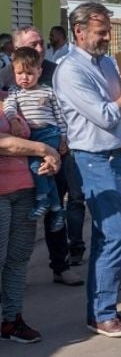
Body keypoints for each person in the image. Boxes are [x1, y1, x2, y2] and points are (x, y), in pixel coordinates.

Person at [53, 2, 121, 337]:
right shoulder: (70, 70)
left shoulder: (105, 64)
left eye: (107, 32)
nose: (105, 39)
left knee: (110, 235)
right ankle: (102, 313)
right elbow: (106, 115)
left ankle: (104, 311)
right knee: (114, 234)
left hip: (117, 156)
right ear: (79, 31)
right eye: (101, 33)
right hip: (93, 159)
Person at [11, 25, 85, 282]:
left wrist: (64, 141)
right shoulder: (8, 77)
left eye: (42, 43)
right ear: (17, 48)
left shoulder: (56, 73)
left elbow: (67, 109)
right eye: (33, 45)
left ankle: (60, 266)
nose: (40, 49)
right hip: (18, 159)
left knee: (56, 209)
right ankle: (14, 275)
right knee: (20, 217)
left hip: (56, 151)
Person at [0, 111, 61, 344]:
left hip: (25, 190)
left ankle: (11, 321)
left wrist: (49, 159)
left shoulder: (12, 98)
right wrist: (43, 150)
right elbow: (5, 144)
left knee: (18, 258)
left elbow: (40, 133)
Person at [3, 47, 67, 231]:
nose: (24, 77)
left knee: (36, 166)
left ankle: (42, 198)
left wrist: (63, 138)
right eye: (19, 73)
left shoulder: (48, 92)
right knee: (45, 171)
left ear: (39, 71)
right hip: (32, 136)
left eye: (29, 73)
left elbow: (60, 116)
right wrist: (13, 120)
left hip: (49, 133)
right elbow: (9, 107)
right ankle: (56, 207)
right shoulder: (14, 92)